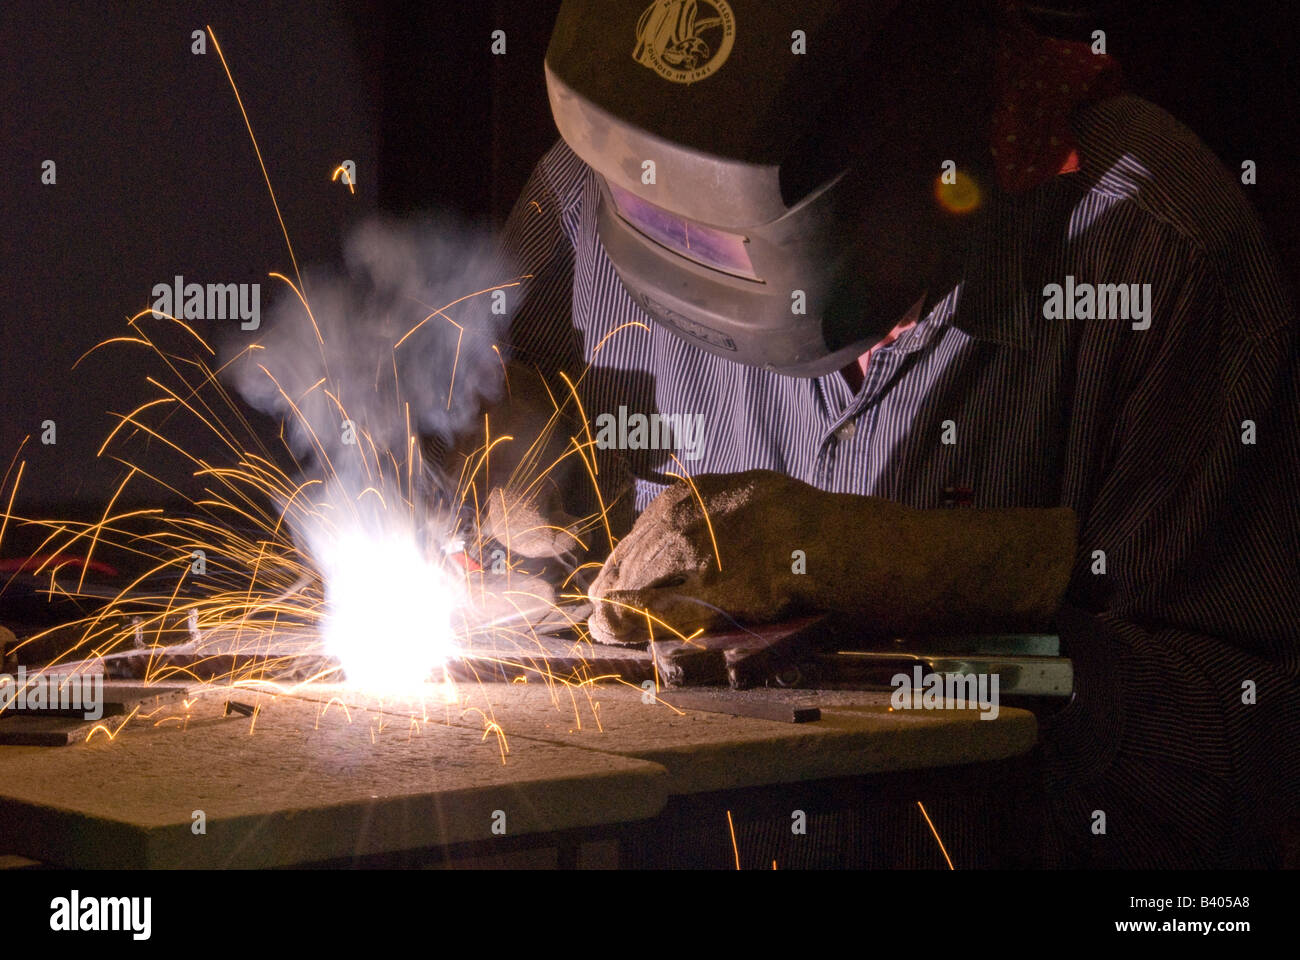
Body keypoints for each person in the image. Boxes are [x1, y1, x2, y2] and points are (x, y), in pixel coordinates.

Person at [484, 0, 1299, 867]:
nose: (668, 234)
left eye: (725, 236)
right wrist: (481, 479)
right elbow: (494, 494)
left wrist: (926, 581)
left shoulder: (1153, 253)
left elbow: (1255, 756)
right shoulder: (589, 187)